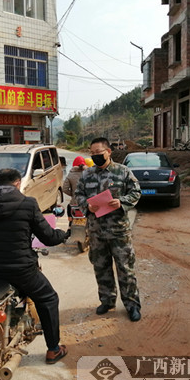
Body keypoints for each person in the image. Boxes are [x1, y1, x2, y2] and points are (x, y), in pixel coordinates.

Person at [0, 168, 69, 364]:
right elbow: (47, 237)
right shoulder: (27, 203)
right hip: (21, 269)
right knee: (48, 298)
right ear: (17, 183)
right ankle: (53, 350)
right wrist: (62, 234)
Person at [74, 137, 142, 322]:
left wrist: (122, 202)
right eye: (92, 153)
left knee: (126, 269)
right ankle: (107, 300)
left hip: (119, 232)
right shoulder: (87, 175)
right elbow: (78, 194)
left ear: (109, 152)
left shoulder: (123, 172)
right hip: (96, 233)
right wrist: (87, 206)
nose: (95, 156)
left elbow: (136, 192)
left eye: (99, 153)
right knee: (101, 268)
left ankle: (132, 305)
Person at [62, 156, 87, 222]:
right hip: (87, 203)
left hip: (74, 203)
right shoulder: (88, 173)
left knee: (69, 209)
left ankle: (70, 227)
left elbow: (64, 189)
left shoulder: (70, 174)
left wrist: (73, 194)